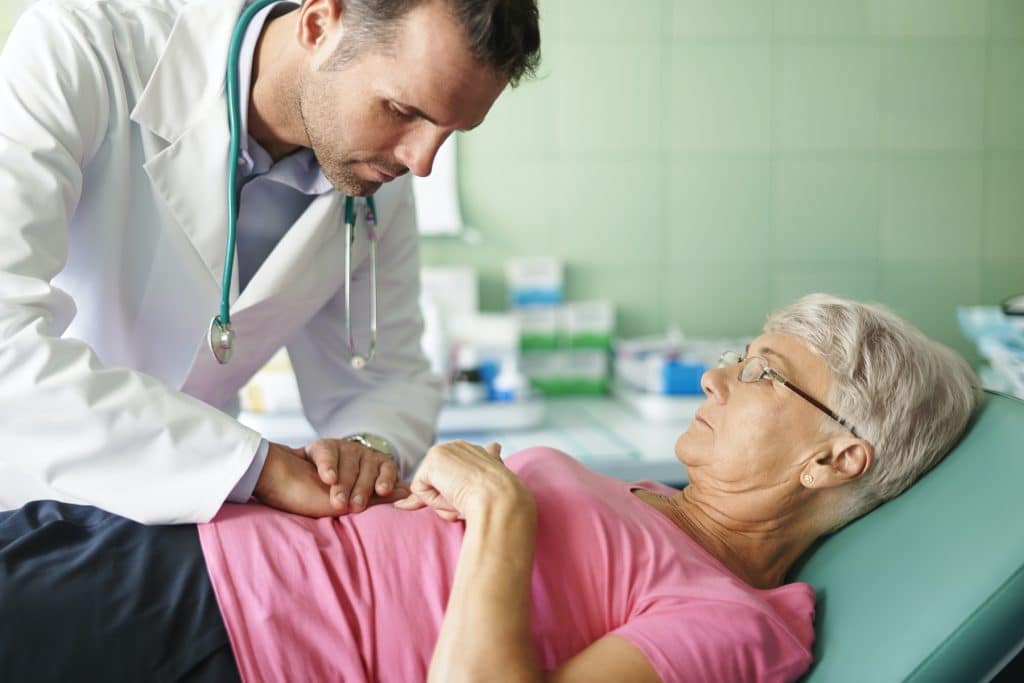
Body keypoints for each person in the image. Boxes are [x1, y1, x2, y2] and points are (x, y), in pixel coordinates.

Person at [0, 294, 981, 682]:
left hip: (216, 631)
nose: (718, 376)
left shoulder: (736, 617)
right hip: (180, 533)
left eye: (762, 371)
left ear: (834, 458)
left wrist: (500, 514)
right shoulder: (649, 498)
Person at [0, 0, 540, 523]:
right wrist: (255, 467)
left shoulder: (377, 180)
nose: (421, 162)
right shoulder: (80, 51)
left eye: (448, 133)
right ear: (319, 23)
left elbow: (383, 379)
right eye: (402, 111)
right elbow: (6, 344)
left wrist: (364, 450)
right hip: (25, 500)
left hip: (190, 532)